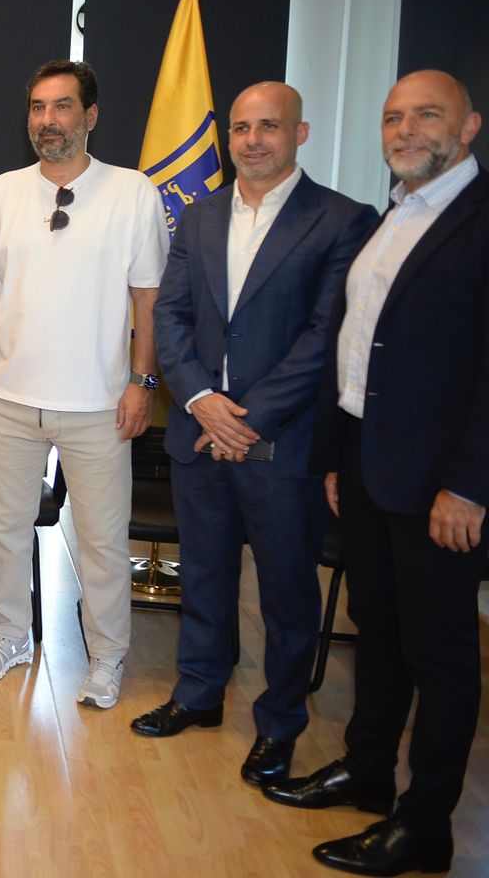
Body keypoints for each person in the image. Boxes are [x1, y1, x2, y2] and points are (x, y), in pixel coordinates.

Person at [266, 70, 487, 877]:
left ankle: (424, 825)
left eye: (427, 115)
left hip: (441, 485)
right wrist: (335, 458)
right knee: (379, 630)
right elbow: (356, 343)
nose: (406, 130)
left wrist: (471, 484)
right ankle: (366, 772)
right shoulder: (395, 212)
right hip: (366, 463)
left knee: (440, 654)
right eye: (394, 117)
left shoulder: (477, 220)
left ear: (468, 127)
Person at [133, 83, 377, 784]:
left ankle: (279, 723)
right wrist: (201, 400)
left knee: (286, 593)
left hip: (283, 442)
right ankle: (199, 693)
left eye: (269, 126)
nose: (252, 140)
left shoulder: (342, 220)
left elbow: (325, 335)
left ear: (300, 133)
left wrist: (246, 417)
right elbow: (170, 317)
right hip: (199, 433)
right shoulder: (200, 215)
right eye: (241, 127)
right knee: (204, 574)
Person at [0, 60, 168, 708]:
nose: (47, 120)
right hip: (10, 399)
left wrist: (142, 381)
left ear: (91, 115)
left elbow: (148, 299)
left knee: (103, 540)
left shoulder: (132, 192)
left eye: (61, 107)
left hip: (99, 403)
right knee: (6, 528)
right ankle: (10, 635)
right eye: (37, 107)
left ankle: (106, 658)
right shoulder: (0, 193)